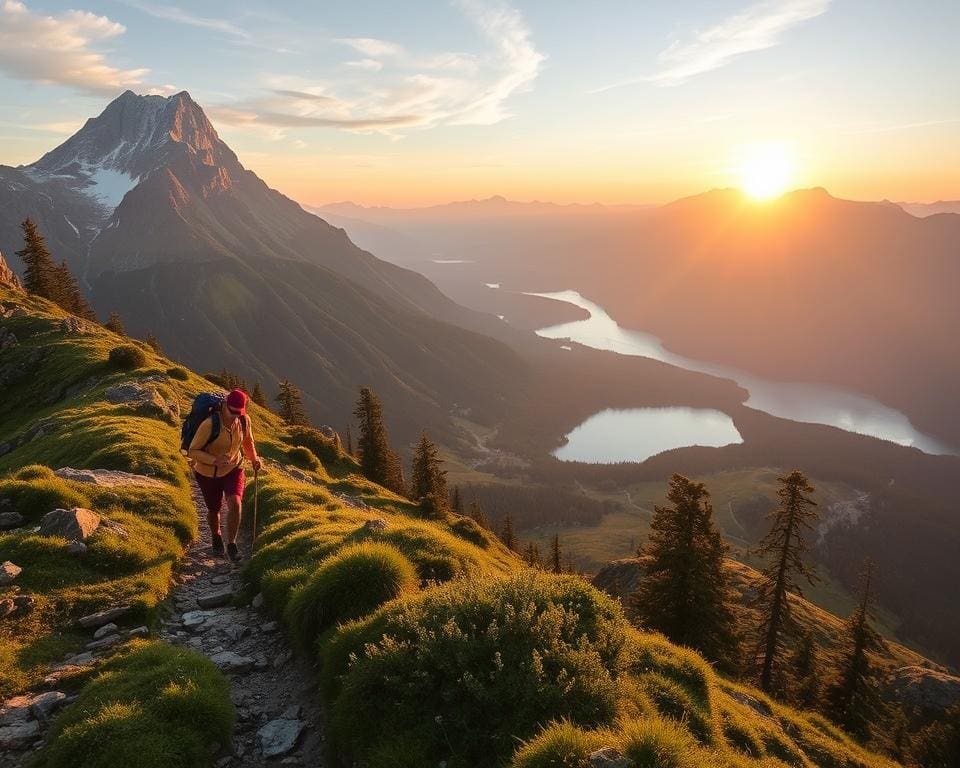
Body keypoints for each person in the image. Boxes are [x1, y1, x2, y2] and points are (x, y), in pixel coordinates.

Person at [187, 388, 262, 561]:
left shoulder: (244, 420)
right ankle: (216, 536)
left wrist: (254, 459)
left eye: (239, 412)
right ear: (225, 405)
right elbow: (193, 451)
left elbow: (247, 442)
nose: (235, 416)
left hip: (233, 468)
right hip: (206, 473)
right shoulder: (209, 424)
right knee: (214, 509)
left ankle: (232, 544)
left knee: (235, 503)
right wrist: (214, 460)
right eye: (232, 412)